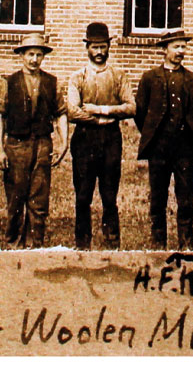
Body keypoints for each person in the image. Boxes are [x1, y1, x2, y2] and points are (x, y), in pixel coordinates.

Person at [65, 22, 134, 249]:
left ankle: (112, 241)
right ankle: (82, 242)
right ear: (87, 48)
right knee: (83, 195)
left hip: (110, 140)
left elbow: (131, 107)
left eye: (103, 47)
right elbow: (73, 111)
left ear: (109, 47)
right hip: (85, 139)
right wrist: (97, 120)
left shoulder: (118, 76)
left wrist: (102, 110)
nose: (99, 52)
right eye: (94, 47)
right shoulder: (78, 77)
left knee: (109, 195)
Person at [134, 29, 193, 249]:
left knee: (185, 197)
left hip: (184, 149)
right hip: (159, 148)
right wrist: (154, 135)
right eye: (176, 47)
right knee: (158, 196)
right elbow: (140, 113)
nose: (181, 51)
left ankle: (186, 244)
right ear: (164, 50)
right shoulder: (149, 78)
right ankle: (158, 243)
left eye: (183, 47)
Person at [0, 33, 66, 248]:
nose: (34, 59)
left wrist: (64, 143)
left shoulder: (51, 82)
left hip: (42, 144)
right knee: (16, 198)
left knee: (39, 199)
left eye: (38, 55)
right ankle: (12, 245)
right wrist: (0, 149)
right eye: (30, 54)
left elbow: (61, 113)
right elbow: (0, 116)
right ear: (21, 56)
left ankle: (35, 246)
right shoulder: (9, 82)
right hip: (16, 145)